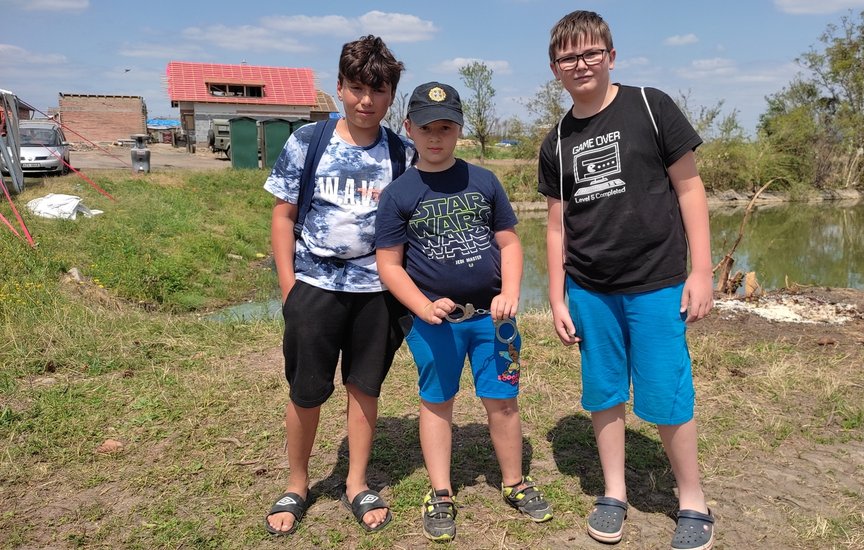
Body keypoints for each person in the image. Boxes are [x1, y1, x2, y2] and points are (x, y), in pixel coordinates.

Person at [537, 10, 716, 550]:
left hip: (657, 281)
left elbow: (690, 190)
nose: (581, 64)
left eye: (591, 52)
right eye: (568, 57)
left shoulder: (651, 106)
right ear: (555, 68)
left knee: (667, 392)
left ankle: (692, 499)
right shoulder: (558, 139)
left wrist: (702, 270)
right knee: (604, 392)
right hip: (590, 289)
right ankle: (613, 492)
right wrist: (556, 293)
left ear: (611, 57)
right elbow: (555, 224)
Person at [375, 81, 553, 542]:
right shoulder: (398, 194)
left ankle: (514, 482)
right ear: (408, 127)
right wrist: (421, 305)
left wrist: (510, 291)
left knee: (504, 401)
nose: (437, 137)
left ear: (459, 130)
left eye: (447, 127)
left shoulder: (484, 181)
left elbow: (510, 243)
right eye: (427, 127)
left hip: (495, 323)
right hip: (437, 323)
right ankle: (440, 491)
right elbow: (389, 266)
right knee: (438, 403)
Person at [262, 35, 415, 537]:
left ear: (391, 93)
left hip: (378, 291)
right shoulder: (308, 141)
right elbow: (283, 217)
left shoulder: (404, 153)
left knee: (364, 388)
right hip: (315, 285)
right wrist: (290, 287)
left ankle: (355, 481)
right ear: (339, 89)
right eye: (355, 88)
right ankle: (298, 483)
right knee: (307, 389)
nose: (365, 101)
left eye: (377, 89)